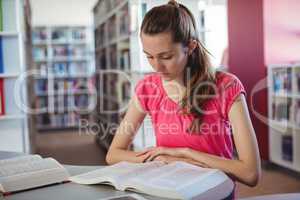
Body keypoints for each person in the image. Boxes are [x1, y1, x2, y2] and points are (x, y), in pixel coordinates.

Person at [106, 0, 261, 188]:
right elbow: (114, 154)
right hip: (168, 190)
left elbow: (251, 173)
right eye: (149, 56)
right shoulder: (147, 88)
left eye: (166, 56)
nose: (156, 66)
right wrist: (165, 159)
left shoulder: (227, 86)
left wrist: (185, 154)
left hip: (212, 193)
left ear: (191, 46)